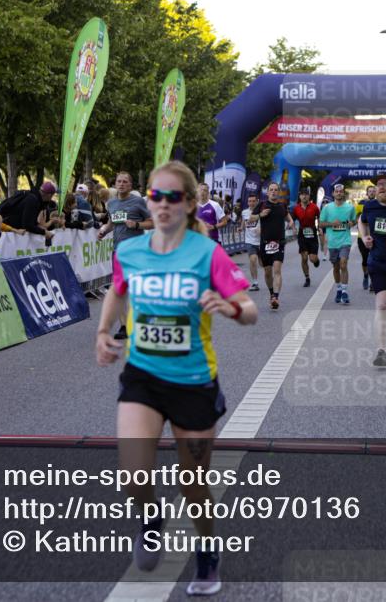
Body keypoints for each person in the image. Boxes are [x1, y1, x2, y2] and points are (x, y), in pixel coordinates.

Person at [95, 160, 257, 595]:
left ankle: (207, 552)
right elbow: (117, 288)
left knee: (193, 484)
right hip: (143, 376)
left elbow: (250, 309)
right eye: (155, 196)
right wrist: (102, 331)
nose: (162, 205)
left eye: (172, 197)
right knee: (132, 474)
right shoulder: (130, 250)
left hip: (193, 381)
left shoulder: (208, 254)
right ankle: (150, 519)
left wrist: (230, 308)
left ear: (188, 205)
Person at [98, 172, 155, 339]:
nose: (121, 184)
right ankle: (125, 326)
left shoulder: (138, 202)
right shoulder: (112, 203)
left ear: (130, 185)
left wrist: (136, 224)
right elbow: (111, 223)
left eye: (125, 182)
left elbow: (151, 222)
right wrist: (103, 231)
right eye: (119, 181)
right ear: (115, 184)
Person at [358, 173, 386, 366]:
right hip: (377, 261)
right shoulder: (369, 206)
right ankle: (380, 350)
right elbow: (362, 221)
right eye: (378, 185)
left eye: (385, 184)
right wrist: (364, 236)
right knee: (382, 305)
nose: (381, 187)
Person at [253, 182, 295, 310]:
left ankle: (276, 297)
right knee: (267, 272)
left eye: (276, 190)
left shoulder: (282, 205)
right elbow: (250, 219)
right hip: (265, 243)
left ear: (278, 192)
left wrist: (291, 222)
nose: (273, 192)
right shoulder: (261, 205)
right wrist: (260, 215)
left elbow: (289, 217)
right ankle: (271, 293)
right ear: (268, 192)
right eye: (271, 190)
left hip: (279, 242)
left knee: (277, 270)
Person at [319, 183, 357, 305]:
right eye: (337, 191)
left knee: (343, 264)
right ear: (333, 193)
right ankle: (339, 289)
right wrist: (331, 224)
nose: (339, 193)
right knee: (336, 267)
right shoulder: (327, 208)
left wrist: (352, 223)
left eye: (341, 191)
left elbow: (354, 221)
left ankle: (345, 291)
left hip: (345, 241)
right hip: (332, 242)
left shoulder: (350, 208)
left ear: (343, 193)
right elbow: (320, 224)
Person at [291, 189, 321, 287]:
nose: (304, 196)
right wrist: (293, 227)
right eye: (302, 195)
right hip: (302, 234)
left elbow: (320, 218)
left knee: (312, 259)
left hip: (312, 234)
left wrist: (320, 228)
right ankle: (307, 278)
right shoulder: (296, 208)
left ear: (309, 196)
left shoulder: (314, 207)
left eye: (306, 195)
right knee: (304, 258)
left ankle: (316, 260)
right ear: (299, 197)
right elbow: (291, 219)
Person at [355, 185, 377, 290]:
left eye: (374, 191)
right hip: (362, 237)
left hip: (375, 237)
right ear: (367, 193)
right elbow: (356, 218)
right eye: (370, 191)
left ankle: (373, 281)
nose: (372, 193)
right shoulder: (360, 204)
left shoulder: (379, 204)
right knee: (365, 260)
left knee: (374, 259)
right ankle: (365, 276)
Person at [241, 193, 262, 291]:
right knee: (253, 260)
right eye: (250, 201)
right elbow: (243, 222)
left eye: (253, 201)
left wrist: (262, 230)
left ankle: (269, 277)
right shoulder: (244, 212)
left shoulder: (261, 212)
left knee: (263, 264)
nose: (251, 203)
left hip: (261, 241)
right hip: (250, 241)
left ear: (257, 201)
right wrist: (240, 228)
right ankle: (255, 282)